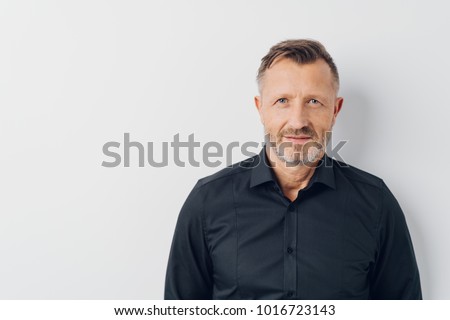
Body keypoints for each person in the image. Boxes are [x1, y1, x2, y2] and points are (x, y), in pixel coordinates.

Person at [164, 39, 422, 299]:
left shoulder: (376, 203)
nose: (298, 121)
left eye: (313, 101)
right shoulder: (208, 202)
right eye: (282, 101)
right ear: (260, 108)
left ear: (335, 110)